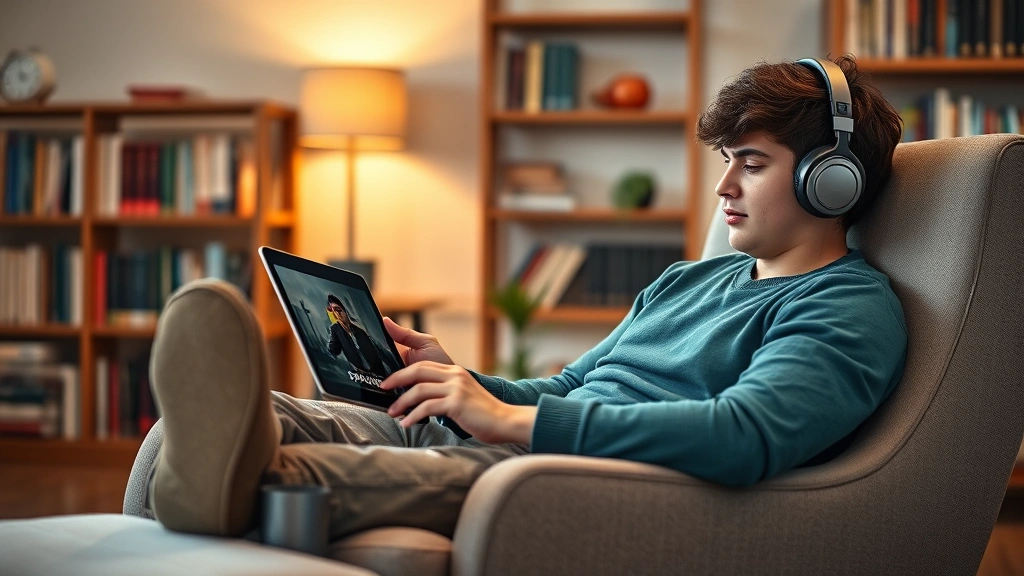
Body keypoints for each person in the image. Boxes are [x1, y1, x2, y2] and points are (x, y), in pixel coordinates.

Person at [145, 54, 907, 541]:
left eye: (751, 163)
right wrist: (468, 386)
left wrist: (513, 422)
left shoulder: (845, 307)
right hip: (523, 440)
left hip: (592, 481)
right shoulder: (691, 279)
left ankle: (224, 487)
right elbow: (572, 387)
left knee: (298, 471)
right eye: (726, 161)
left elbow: (744, 435)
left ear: (828, 179)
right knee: (261, 418)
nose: (723, 187)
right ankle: (203, 471)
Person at [325, 293, 396, 376]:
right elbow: (333, 351)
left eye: (338, 310)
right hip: (359, 377)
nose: (337, 314)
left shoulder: (361, 330)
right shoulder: (336, 329)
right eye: (332, 310)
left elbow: (381, 351)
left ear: (346, 310)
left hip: (379, 375)